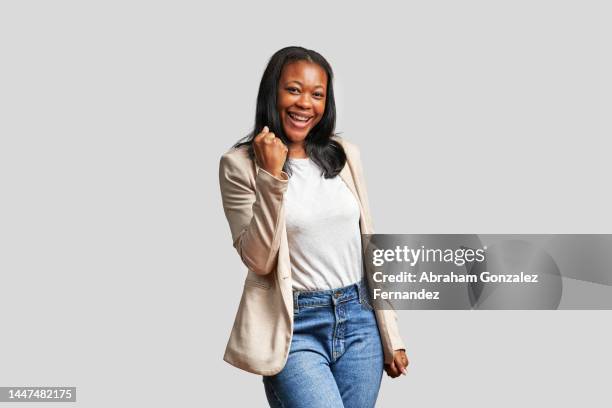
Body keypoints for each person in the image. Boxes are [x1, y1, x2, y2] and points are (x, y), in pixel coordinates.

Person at [218, 46, 409, 407]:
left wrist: (391, 334)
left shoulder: (344, 154)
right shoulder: (238, 165)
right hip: (295, 327)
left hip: (360, 320)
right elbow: (258, 260)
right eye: (293, 89)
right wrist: (271, 176)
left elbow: (368, 246)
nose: (305, 103)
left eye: (317, 94)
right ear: (272, 92)